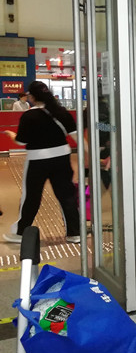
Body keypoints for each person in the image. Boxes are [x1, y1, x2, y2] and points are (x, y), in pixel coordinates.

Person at [3, 81, 80, 244]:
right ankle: (75, 233)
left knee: (31, 196)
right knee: (66, 195)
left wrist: (11, 134)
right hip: (62, 158)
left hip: (37, 160)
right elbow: (76, 137)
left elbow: (21, 141)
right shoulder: (62, 112)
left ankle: (21, 232)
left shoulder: (29, 116)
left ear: (32, 96)